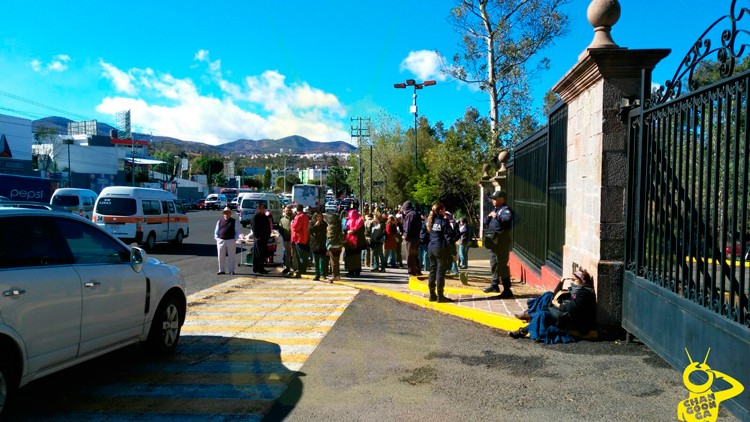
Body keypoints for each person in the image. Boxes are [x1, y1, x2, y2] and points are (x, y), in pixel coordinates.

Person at [509, 269, 596, 343]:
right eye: (572, 280)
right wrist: (562, 281)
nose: (572, 282)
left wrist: (558, 305)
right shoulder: (576, 289)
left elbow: (572, 309)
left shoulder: (583, 293)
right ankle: (528, 318)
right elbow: (556, 294)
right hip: (561, 312)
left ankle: (522, 330)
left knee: (541, 315)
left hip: (567, 318)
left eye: (575, 280)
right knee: (548, 296)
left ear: (582, 282)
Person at [483, 190, 514, 298]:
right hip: (493, 243)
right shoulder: (496, 209)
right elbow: (485, 221)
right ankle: (494, 284)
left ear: (502, 199)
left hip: (501, 243)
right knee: (494, 264)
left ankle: (507, 289)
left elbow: (507, 219)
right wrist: (490, 216)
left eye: (495, 199)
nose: (493, 201)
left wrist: (496, 216)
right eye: (493, 199)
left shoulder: (505, 210)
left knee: (502, 265)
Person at [426, 202, 454, 302]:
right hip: (440, 248)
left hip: (431, 247)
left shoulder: (432, 220)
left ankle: (432, 294)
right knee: (440, 271)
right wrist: (453, 252)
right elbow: (449, 237)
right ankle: (440, 295)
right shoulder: (444, 221)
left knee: (432, 271)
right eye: (444, 209)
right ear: (441, 210)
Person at [214, 206, 239, 275]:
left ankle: (231, 270)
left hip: (231, 240)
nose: (226, 214)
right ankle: (221, 270)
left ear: (230, 213)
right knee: (220, 256)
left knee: (231, 256)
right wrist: (218, 239)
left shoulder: (234, 221)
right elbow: (216, 232)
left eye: (228, 212)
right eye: (225, 213)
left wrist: (235, 239)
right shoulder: (219, 221)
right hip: (221, 240)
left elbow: (237, 231)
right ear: (223, 214)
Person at [401, 201, 422, 276]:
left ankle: (412, 272)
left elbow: (407, 227)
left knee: (410, 256)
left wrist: (405, 236)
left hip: (410, 239)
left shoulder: (409, 215)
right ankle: (417, 271)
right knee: (415, 255)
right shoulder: (416, 213)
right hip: (416, 237)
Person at [344, 208, 365, 276]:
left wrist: (350, 232)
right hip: (356, 242)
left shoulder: (348, 222)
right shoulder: (360, 221)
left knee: (351, 257)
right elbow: (361, 232)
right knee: (357, 257)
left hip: (351, 242)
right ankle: (356, 271)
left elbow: (345, 230)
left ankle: (351, 271)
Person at [290, 204, 310, 278]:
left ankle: (301, 269)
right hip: (304, 237)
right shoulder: (305, 216)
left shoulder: (299, 217)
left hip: (299, 238)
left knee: (300, 255)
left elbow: (295, 227)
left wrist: (292, 223)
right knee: (304, 255)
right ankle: (303, 268)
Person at [309, 211, 329, 281]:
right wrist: (315, 226)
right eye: (317, 216)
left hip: (322, 244)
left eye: (320, 216)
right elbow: (309, 231)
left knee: (323, 259)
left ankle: (323, 274)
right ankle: (317, 274)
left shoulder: (324, 224)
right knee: (316, 260)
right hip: (314, 244)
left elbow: (327, 232)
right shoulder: (312, 223)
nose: (319, 218)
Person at [251, 203, 271, 274]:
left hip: (264, 238)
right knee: (258, 254)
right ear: (258, 209)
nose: (263, 209)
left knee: (263, 254)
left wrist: (268, 235)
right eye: (261, 208)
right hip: (258, 238)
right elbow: (254, 228)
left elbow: (268, 226)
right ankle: (257, 268)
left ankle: (261, 267)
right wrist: (257, 236)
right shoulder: (255, 217)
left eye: (263, 208)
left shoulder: (264, 216)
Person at [326, 212, 345, 282]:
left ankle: (334, 275)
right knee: (337, 260)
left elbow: (329, 237)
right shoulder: (339, 226)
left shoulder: (330, 226)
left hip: (332, 245)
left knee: (333, 261)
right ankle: (337, 275)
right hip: (339, 245)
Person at [279, 205, 293, 274]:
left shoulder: (294, 218)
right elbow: (280, 229)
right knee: (287, 254)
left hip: (293, 240)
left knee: (293, 254)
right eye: (286, 211)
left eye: (289, 210)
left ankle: (294, 268)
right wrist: (283, 236)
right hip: (286, 239)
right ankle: (287, 267)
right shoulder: (282, 220)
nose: (287, 212)